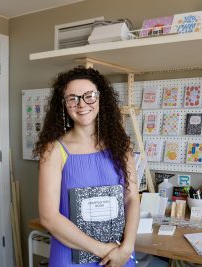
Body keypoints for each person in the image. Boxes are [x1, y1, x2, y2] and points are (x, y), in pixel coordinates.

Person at [34, 66, 139, 267]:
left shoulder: (121, 145)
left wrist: (126, 248)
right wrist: (106, 251)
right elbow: (48, 217)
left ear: (101, 99)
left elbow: (132, 197)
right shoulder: (54, 151)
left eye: (89, 95)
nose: (81, 104)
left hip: (119, 256)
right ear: (63, 104)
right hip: (73, 258)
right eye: (72, 98)